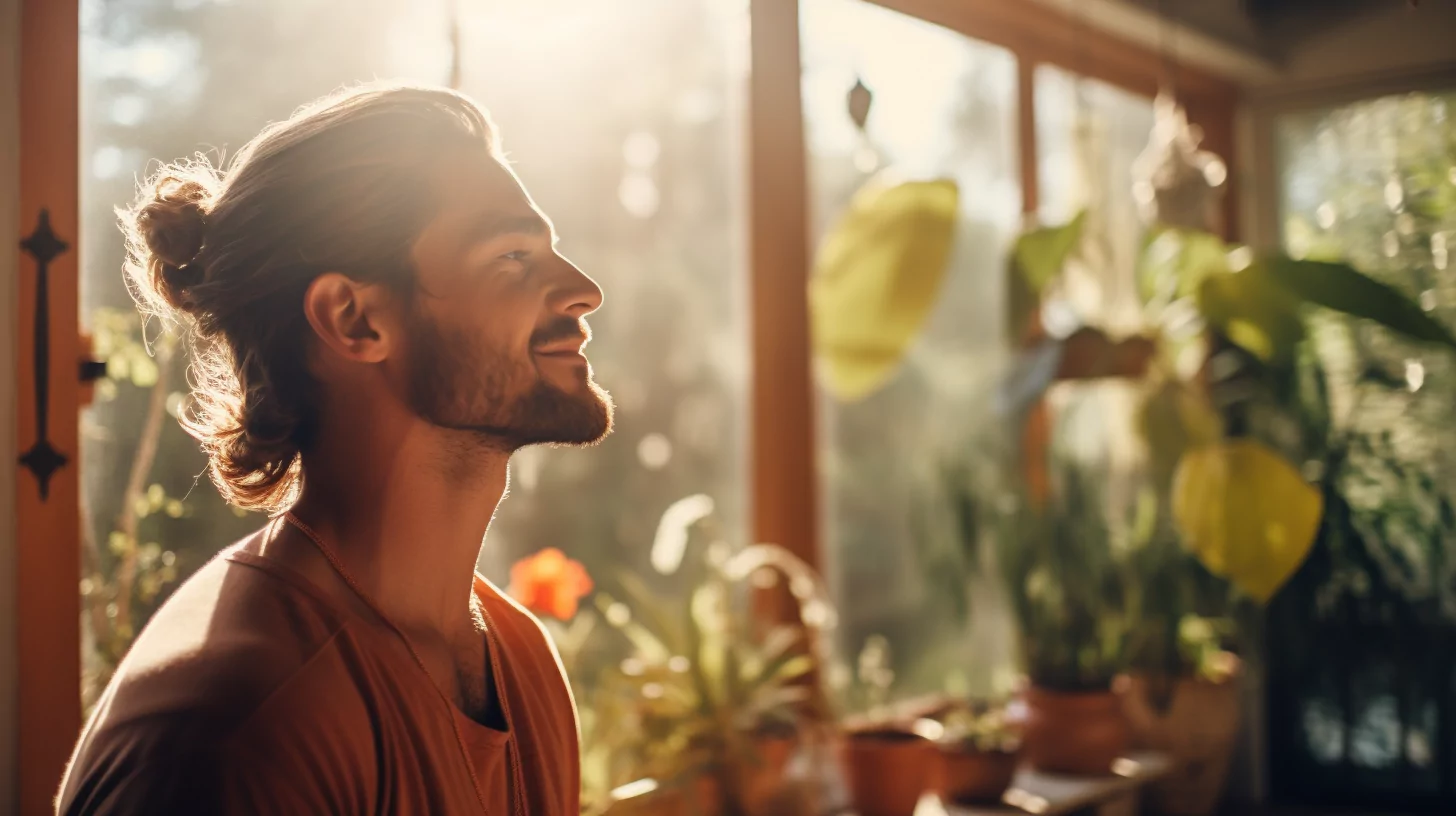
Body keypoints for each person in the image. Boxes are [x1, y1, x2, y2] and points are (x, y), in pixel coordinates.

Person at [57, 81, 612, 815]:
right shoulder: (239, 731)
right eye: (511, 255)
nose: (583, 291)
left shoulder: (524, 664)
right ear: (354, 320)